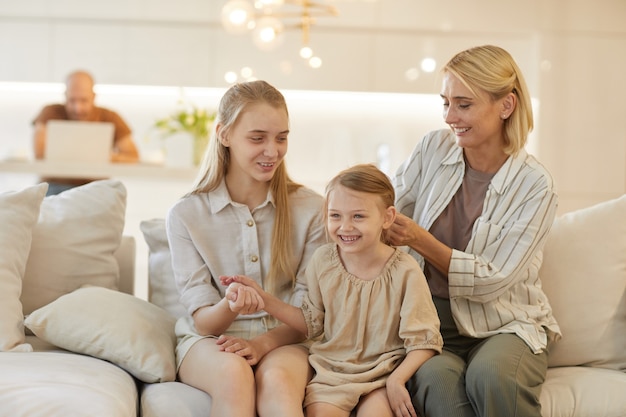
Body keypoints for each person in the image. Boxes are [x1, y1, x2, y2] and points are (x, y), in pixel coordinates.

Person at [387, 44, 562, 417]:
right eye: (445, 103)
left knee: (494, 377)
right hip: (432, 324)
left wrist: (419, 238)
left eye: (463, 104)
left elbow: (490, 281)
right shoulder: (432, 148)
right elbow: (388, 206)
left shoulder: (535, 185)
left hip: (505, 323)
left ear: (506, 106)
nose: (450, 117)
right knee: (436, 383)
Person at [223, 163, 443, 417]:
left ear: (387, 217)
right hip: (331, 374)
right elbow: (311, 324)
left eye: (358, 216)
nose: (345, 227)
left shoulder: (406, 270)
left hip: (383, 374)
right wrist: (264, 300)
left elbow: (425, 341)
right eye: (335, 216)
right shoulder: (323, 261)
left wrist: (397, 380)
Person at [165, 80, 327, 417]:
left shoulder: (312, 210)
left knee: (279, 381)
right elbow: (206, 324)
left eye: (281, 138)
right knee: (233, 375)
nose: (273, 151)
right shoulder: (186, 215)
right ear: (224, 135)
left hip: (286, 339)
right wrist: (231, 304)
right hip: (211, 342)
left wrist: (262, 344)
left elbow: (309, 318)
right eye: (258, 138)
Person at [32, 70, 139, 195]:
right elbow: (39, 153)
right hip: (54, 187)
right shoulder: (49, 112)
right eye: (72, 100)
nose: (78, 108)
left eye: (83, 100)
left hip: (96, 188)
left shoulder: (110, 117)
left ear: (94, 96)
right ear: (65, 96)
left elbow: (132, 156)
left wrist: (106, 157)